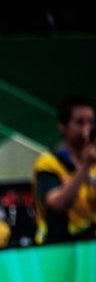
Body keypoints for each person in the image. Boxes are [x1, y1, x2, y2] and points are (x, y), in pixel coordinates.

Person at [32, 94, 96, 244]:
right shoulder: (48, 162)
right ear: (62, 125)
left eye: (90, 122)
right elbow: (57, 205)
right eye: (80, 122)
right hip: (58, 247)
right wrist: (85, 166)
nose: (86, 129)